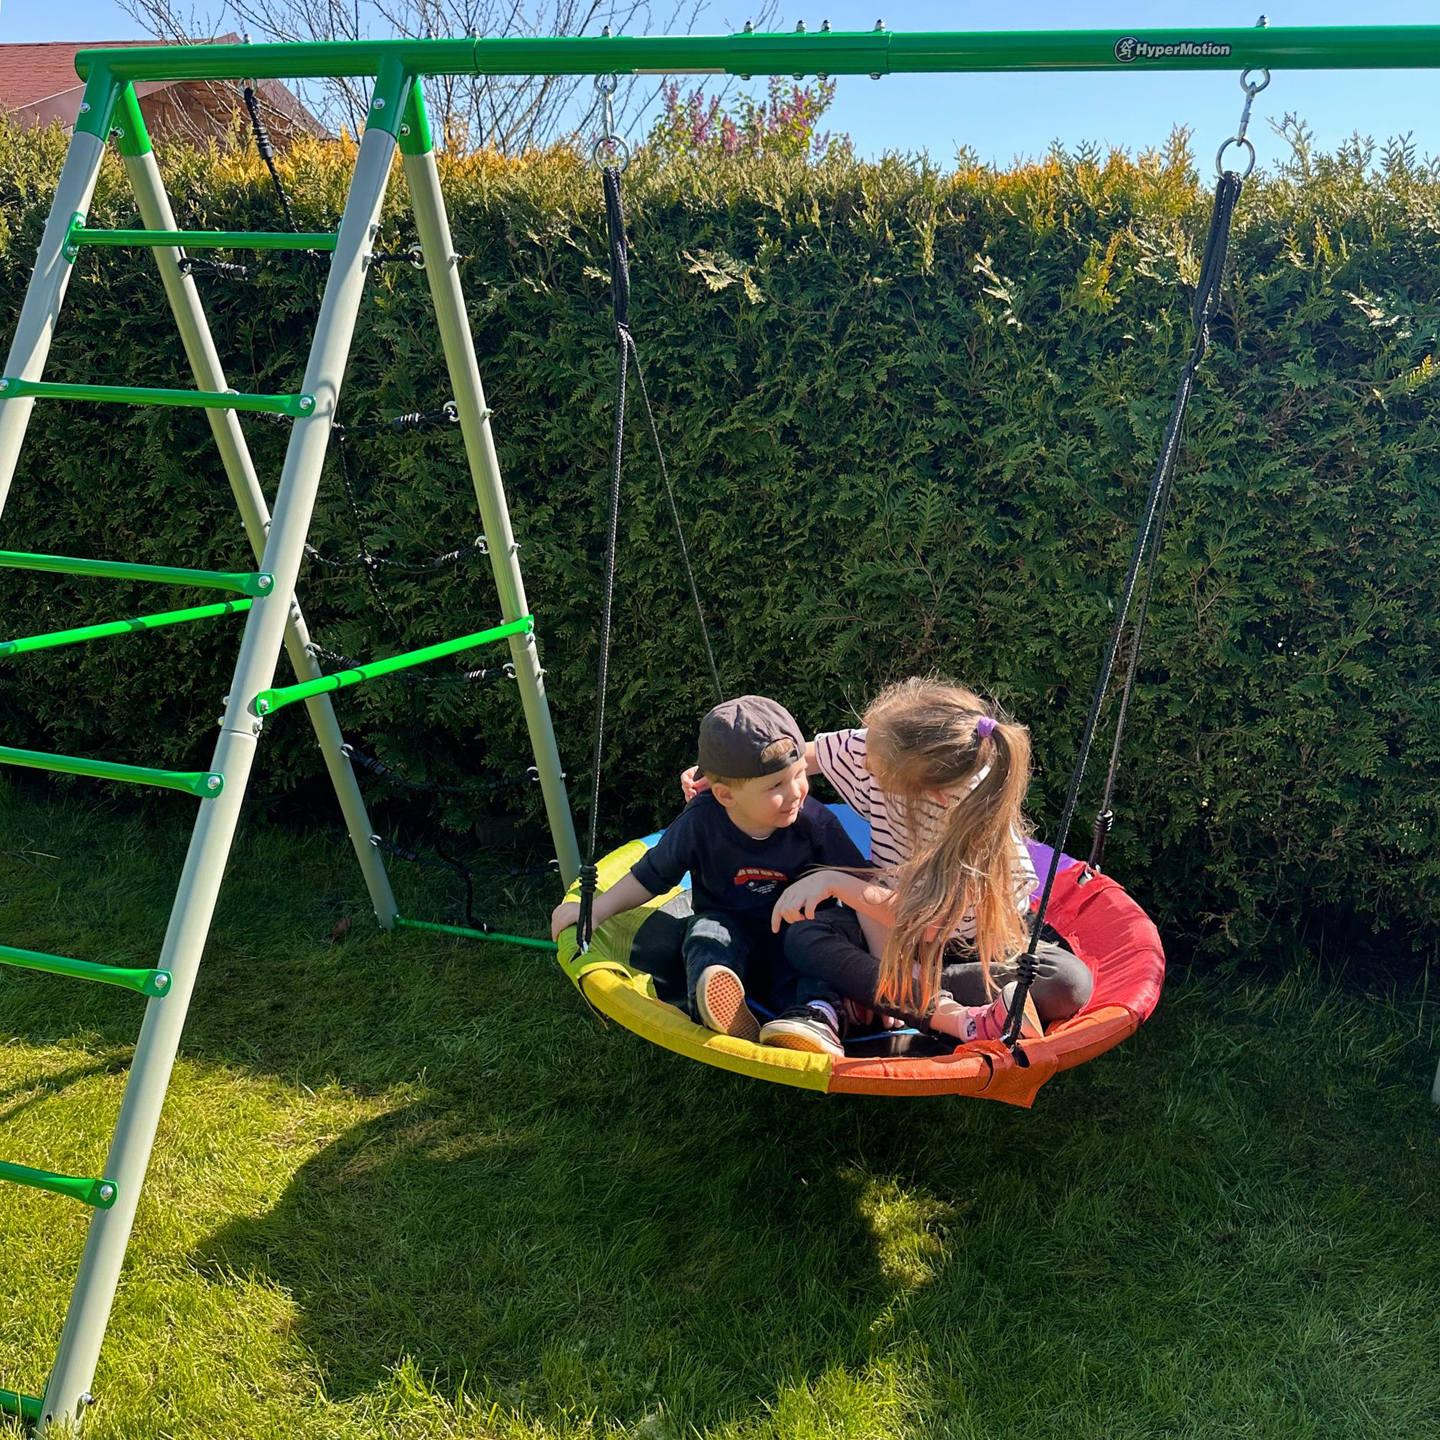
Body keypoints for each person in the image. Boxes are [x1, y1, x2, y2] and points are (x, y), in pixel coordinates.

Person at [683, 678, 1095, 1055]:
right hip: (891, 927)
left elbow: (928, 925)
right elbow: (796, 760)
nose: (862, 761)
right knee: (804, 936)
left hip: (972, 944)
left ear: (924, 794)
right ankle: (903, 997)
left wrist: (837, 882)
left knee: (1067, 983)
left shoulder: (967, 816)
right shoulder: (882, 746)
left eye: (873, 762)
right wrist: (725, 778)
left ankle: (899, 999)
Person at [550, 696, 867, 1052]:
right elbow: (650, 874)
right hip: (730, 925)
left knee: (819, 949)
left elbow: (862, 885)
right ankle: (715, 999)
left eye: (798, 776)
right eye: (775, 786)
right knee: (703, 933)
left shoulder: (814, 821)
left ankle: (815, 1015)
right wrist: (595, 910)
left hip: (800, 928)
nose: (795, 792)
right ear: (725, 795)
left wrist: (874, 967)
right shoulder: (700, 822)